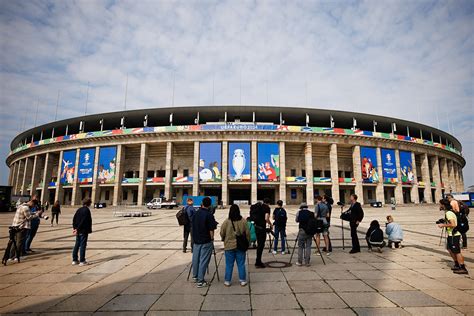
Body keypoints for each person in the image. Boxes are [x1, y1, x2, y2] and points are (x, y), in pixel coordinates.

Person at [220, 204, 250, 287]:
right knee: (241, 264)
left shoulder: (226, 221)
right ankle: (242, 280)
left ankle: (227, 280)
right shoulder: (243, 221)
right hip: (240, 246)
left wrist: (223, 239)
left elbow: (222, 232)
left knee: (229, 264)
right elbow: (247, 234)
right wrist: (248, 243)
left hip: (229, 246)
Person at [191, 197, 218, 287]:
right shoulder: (209, 215)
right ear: (210, 205)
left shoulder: (196, 213)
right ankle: (200, 280)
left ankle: (195, 276)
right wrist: (212, 238)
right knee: (203, 260)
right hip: (206, 240)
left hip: (196, 239)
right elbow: (211, 229)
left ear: (202, 203)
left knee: (196, 258)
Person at [438, 198, 468, 274]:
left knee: (457, 251)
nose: (439, 206)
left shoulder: (449, 213)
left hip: (454, 235)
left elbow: (453, 224)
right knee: (449, 249)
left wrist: (443, 225)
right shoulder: (449, 212)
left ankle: (462, 267)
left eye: (440, 204)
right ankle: (457, 264)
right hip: (451, 234)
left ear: (443, 205)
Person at [250, 198, 273, 268]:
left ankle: (258, 260)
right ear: (269, 203)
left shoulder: (258, 207)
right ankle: (258, 261)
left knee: (259, 244)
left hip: (256, 227)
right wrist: (271, 224)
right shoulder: (267, 208)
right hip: (262, 228)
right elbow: (266, 218)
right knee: (261, 245)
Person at [72, 198, 93, 266]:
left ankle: (74, 260)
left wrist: (74, 228)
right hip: (83, 230)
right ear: (89, 203)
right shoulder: (86, 210)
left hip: (78, 230)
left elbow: (74, 219)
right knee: (83, 245)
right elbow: (83, 220)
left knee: (77, 244)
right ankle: (82, 261)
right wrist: (77, 228)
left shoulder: (79, 209)